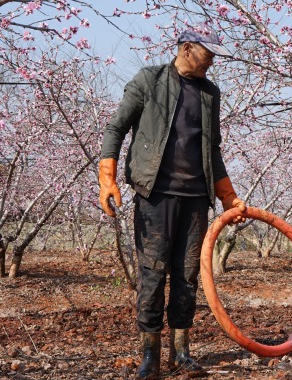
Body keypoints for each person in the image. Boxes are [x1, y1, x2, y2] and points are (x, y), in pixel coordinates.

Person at [98, 23, 246, 379]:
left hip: (196, 198)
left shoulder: (210, 93)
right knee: (152, 274)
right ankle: (149, 355)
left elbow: (212, 149)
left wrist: (228, 197)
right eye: (207, 54)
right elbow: (116, 128)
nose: (211, 61)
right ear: (186, 49)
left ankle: (181, 353)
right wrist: (107, 179)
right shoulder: (149, 81)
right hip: (156, 195)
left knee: (187, 276)